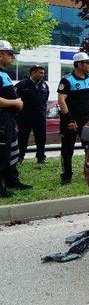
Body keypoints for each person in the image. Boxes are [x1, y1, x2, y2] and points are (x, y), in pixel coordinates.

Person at [58, 52, 89, 185]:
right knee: (67, 149)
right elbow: (61, 100)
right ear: (79, 64)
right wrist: (69, 119)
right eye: (88, 63)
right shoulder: (67, 80)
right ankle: (66, 176)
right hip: (71, 119)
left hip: (87, 119)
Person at [0, 41, 31, 197]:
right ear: (0, 54)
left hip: (9, 119)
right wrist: (15, 102)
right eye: (10, 54)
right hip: (2, 119)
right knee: (2, 153)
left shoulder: (3, 73)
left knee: (11, 152)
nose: (13, 57)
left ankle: (12, 180)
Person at [16, 65, 49, 164]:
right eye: (40, 73)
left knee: (41, 137)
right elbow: (16, 99)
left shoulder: (44, 85)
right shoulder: (22, 84)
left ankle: (41, 157)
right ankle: (20, 157)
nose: (43, 75)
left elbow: (45, 99)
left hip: (39, 116)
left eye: (43, 73)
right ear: (33, 72)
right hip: (25, 116)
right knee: (23, 137)